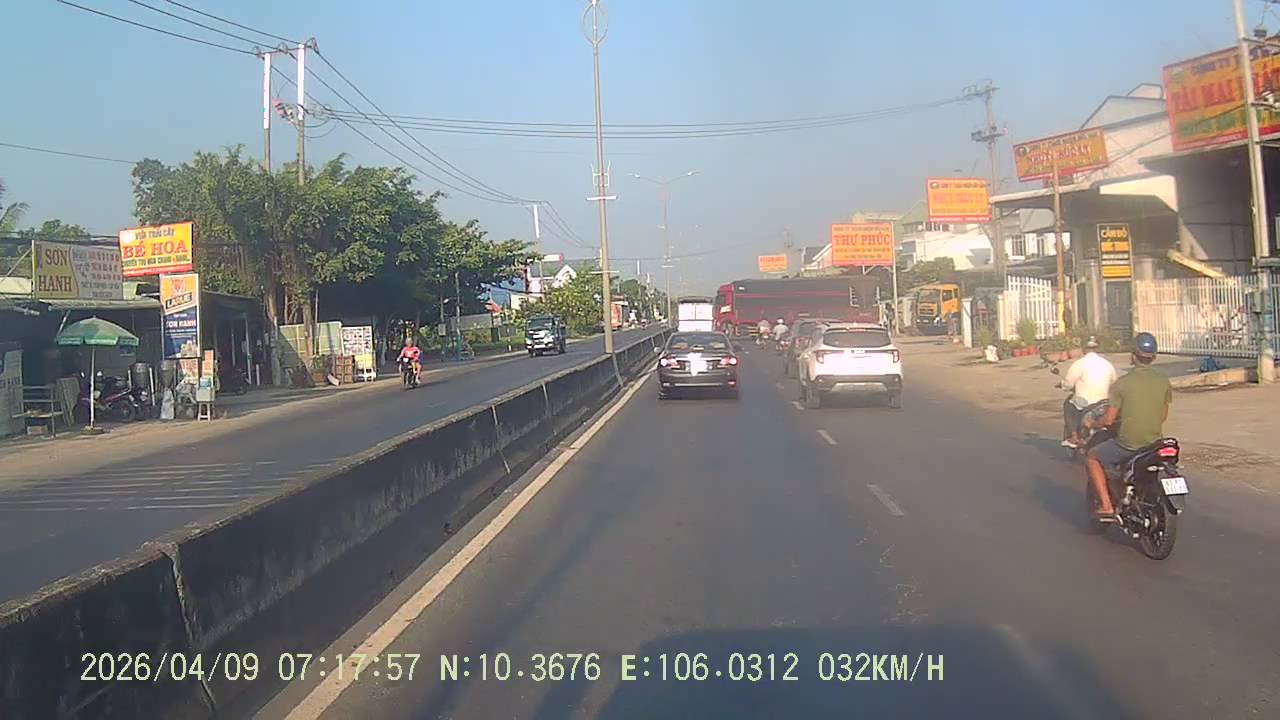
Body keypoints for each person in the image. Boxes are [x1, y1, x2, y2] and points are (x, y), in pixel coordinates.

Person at [1085, 332, 1172, 519]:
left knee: (1093, 457)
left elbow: (1109, 420)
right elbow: (1163, 415)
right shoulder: (1163, 381)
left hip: (1129, 443)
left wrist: (1093, 423)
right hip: (1155, 443)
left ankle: (1106, 505)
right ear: (1154, 357)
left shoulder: (1121, 384)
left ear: (1133, 355)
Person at [1060, 336, 1117, 449]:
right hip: (1104, 402)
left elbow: (1068, 384)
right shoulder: (1107, 364)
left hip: (1086, 403)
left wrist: (1062, 385)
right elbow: (1114, 382)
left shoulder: (1079, 364)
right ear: (1097, 348)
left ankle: (1074, 437)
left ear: (1083, 349)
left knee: (1068, 404)